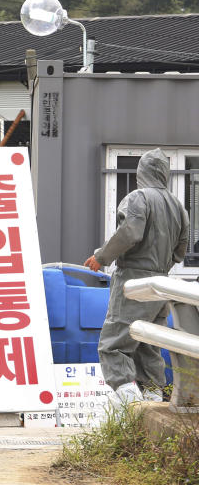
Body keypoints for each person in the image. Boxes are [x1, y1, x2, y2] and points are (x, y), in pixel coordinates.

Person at [84, 148, 189, 404]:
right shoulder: (179, 207)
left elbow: (130, 233)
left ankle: (129, 402)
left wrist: (102, 256)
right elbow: (180, 252)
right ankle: (152, 398)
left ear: (141, 172)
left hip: (133, 280)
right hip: (161, 284)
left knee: (114, 343)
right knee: (147, 342)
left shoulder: (138, 197)